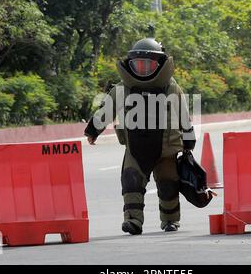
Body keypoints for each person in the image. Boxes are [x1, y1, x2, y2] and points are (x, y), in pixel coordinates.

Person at [84, 38, 196, 235]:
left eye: (149, 65)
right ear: (131, 64)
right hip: (135, 148)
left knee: (168, 183)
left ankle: (170, 220)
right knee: (131, 181)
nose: (143, 69)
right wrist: (93, 130)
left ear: (159, 64)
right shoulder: (122, 89)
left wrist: (188, 140)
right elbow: (106, 110)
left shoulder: (171, 88)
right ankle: (133, 220)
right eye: (139, 65)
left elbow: (184, 115)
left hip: (166, 149)